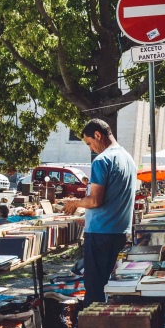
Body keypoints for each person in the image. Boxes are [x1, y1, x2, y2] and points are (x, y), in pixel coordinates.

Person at [62, 119, 137, 305]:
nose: (90, 149)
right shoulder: (128, 159)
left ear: (98, 135)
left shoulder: (102, 160)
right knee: (112, 287)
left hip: (101, 234)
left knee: (95, 288)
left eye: (89, 143)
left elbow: (95, 200)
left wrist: (75, 203)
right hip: (119, 232)